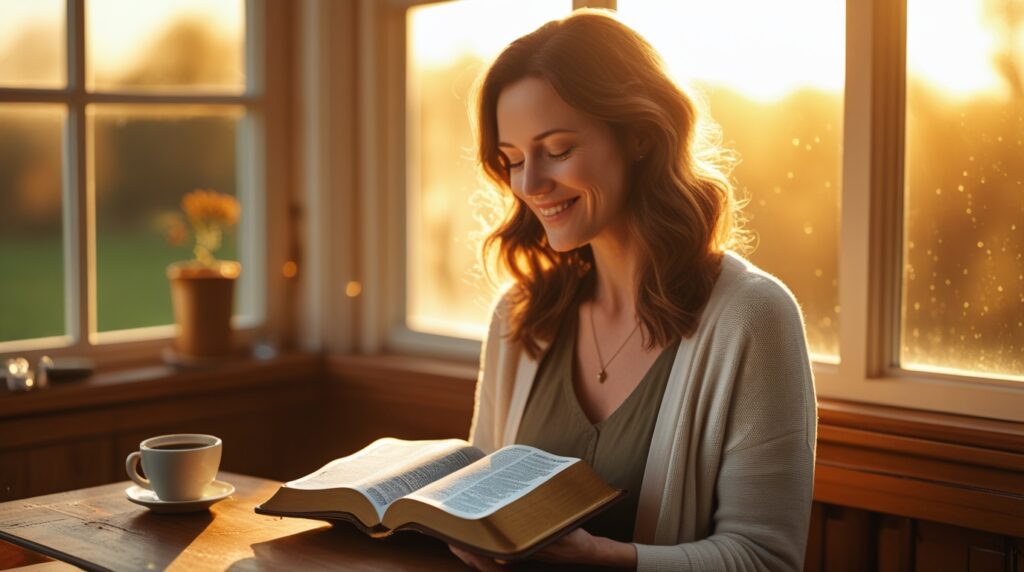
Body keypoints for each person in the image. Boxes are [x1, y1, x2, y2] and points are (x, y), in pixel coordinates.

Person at [450, 9, 816, 572]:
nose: (529, 184)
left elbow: (765, 558)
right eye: (513, 159)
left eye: (559, 149)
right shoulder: (518, 317)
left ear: (641, 134)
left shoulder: (752, 317)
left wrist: (601, 557)